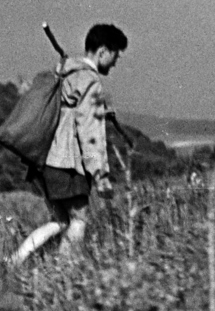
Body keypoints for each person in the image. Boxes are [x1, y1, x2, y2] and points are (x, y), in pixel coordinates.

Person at [12, 23, 130, 265]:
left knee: (60, 220)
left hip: (43, 158)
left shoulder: (63, 73)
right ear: (103, 52)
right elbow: (91, 132)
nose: (116, 63)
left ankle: (13, 262)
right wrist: (100, 175)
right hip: (66, 162)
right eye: (115, 56)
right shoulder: (90, 82)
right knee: (79, 220)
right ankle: (63, 275)